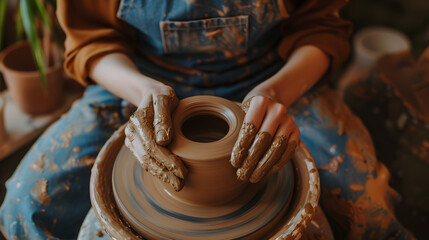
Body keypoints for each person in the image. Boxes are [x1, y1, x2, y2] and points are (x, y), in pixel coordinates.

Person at [0, 0, 414, 239]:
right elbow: (90, 42)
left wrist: (275, 93)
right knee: (27, 205)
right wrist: (142, 90)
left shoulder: (274, 87)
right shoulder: (139, 87)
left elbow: (320, 28)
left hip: (270, 79)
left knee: (369, 209)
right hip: (138, 85)